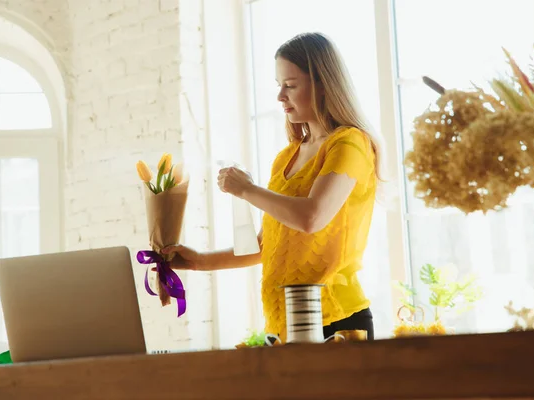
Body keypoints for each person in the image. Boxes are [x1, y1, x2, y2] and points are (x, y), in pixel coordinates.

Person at [163, 32, 385, 342]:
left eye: (291, 86)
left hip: (337, 319)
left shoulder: (350, 144)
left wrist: (246, 190)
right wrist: (199, 261)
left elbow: (311, 217)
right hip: (284, 324)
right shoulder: (287, 156)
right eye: (279, 86)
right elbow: (268, 245)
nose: (281, 96)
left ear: (323, 84)